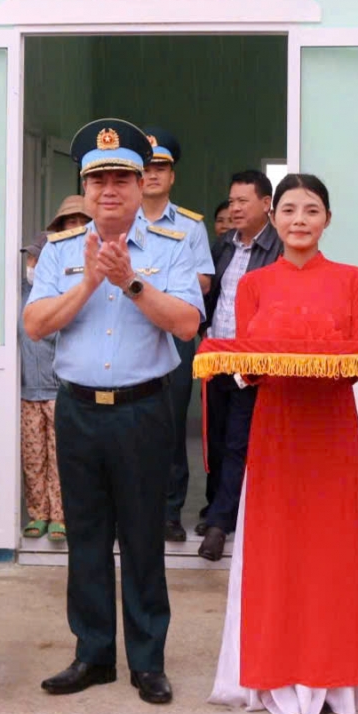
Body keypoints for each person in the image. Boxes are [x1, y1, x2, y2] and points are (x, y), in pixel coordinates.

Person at [24, 118, 204, 706]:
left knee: (145, 537)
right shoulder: (57, 250)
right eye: (98, 179)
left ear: (140, 185)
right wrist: (87, 282)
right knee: (87, 538)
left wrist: (128, 281)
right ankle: (93, 654)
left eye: (122, 178)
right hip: (77, 410)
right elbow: (35, 324)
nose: (110, 190)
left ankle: (147, 661)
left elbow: (186, 324)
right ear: (86, 186)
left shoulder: (173, 247)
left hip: (142, 411)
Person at [208, 173, 358, 714]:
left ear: (327, 218)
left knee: (331, 549)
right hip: (275, 427)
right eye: (289, 210)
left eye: (311, 210)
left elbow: (355, 359)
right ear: (273, 218)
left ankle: (332, 677)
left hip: (330, 429)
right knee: (275, 548)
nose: (299, 220)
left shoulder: (352, 280)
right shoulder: (255, 284)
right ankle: (270, 671)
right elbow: (246, 362)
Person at [198, 170, 281, 560]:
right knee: (214, 438)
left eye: (242, 201)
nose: (233, 208)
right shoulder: (221, 247)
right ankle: (215, 507)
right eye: (231, 201)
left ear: (266, 204)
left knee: (238, 441)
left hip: (252, 361)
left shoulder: (278, 249)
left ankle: (219, 524)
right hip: (216, 355)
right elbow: (207, 296)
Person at [140, 127, 216, 544]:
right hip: (131, 333)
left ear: (172, 176)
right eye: (145, 168)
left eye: (160, 168)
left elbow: (203, 280)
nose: (152, 175)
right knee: (131, 424)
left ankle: (169, 512)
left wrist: (153, 288)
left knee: (169, 424)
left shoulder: (190, 226)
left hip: (175, 335)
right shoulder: (117, 221)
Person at [20, 197, 89, 544]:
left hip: (62, 389)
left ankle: (61, 516)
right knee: (33, 459)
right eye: (30, 258)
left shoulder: (66, 294)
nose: (33, 264)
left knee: (62, 457)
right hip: (28, 391)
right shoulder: (20, 295)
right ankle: (38, 514)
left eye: (38, 257)